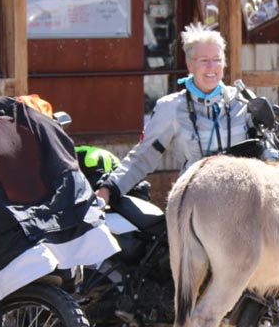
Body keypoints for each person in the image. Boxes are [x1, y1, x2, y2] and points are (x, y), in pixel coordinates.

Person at [95, 22, 251, 204]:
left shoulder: (243, 101)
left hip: (241, 202)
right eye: (203, 61)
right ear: (190, 65)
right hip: (196, 203)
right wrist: (110, 188)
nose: (211, 67)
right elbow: (144, 156)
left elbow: (270, 148)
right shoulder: (171, 107)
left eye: (217, 59)